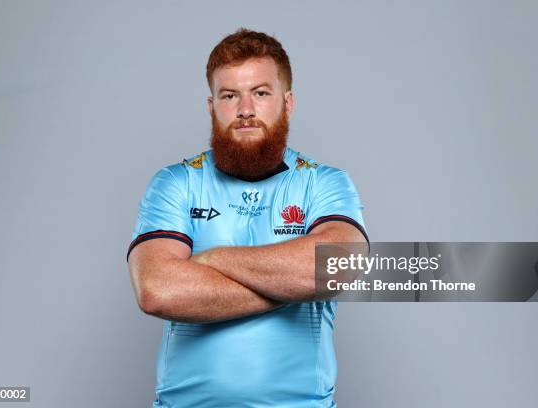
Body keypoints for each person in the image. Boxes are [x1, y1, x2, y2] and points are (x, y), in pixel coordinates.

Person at [127, 28, 368, 408]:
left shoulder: (323, 183)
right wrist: (292, 286)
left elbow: (335, 266)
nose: (245, 110)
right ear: (211, 107)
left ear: (287, 103)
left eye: (260, 93)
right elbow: (158, 290)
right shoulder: (177, 182)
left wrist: (211, 259)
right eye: (229, 96)